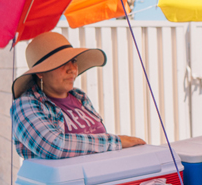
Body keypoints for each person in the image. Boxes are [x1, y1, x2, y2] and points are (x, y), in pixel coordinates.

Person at [11, 32, 145, 159]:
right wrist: (117, 141)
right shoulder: (24, 105)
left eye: (73, 61)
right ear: (40, 73)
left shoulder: (79, 96)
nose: (72, 69)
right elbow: (54, 146)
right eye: (62, 63)